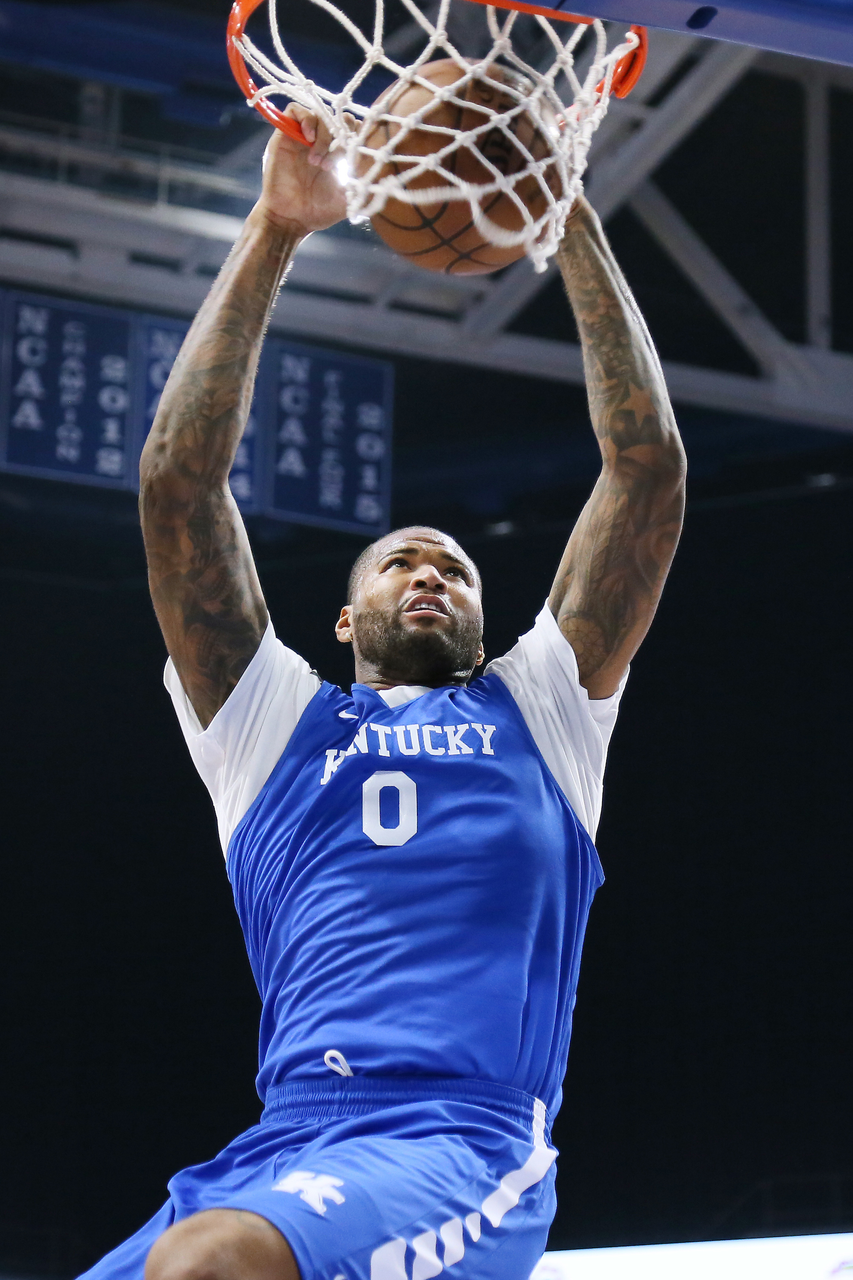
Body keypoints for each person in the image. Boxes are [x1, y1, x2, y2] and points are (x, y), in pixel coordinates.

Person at [80, 105, 686, 1280]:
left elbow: (646, 468)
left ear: (480, 617)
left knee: (206, 1266)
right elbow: (177, 484)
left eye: (454, 566)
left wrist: (563, 219)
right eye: (400, 559)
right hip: (282, 1138)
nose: (431, 569)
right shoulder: (272, 729)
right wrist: (274, 227)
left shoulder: (543, 714)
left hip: (456, 1139)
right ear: (344, 620)